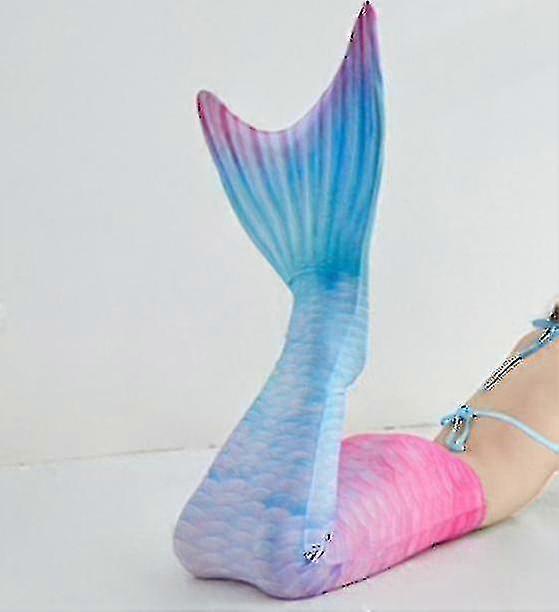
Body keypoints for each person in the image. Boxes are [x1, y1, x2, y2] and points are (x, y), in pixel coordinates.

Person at [173, 2, 558, 599]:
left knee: (216, 542)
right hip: (438, 483)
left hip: (403, 459)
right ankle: (330, 294)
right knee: (294, 558)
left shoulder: (539, 336)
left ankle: (326, 293)